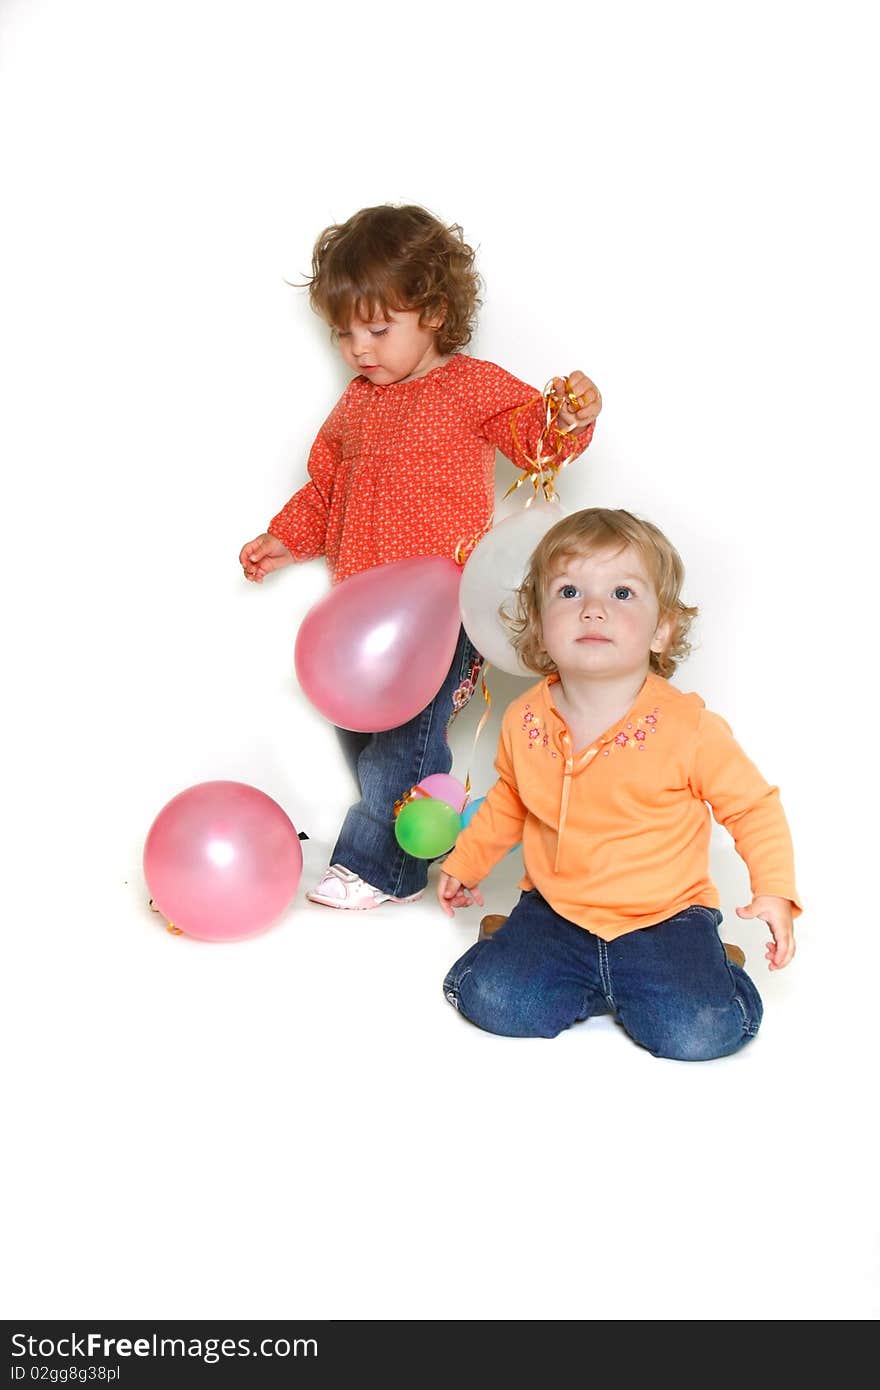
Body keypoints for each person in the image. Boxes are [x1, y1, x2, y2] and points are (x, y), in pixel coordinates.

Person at [238, 204, 602, 909]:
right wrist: (286, 538)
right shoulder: (356, 405)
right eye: (344, 333)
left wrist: (567, 415)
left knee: (406, 738)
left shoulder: (470, 386)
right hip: (359, 614)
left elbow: (535, 441)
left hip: (439, 615)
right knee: (362, 730)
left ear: (433, 312)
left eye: (377, 329)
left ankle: (383, 866)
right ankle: (418, 841)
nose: (359, 348)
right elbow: (328, 486)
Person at [438, 508, 801, 1060]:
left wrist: (773, 889)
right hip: (559, 911)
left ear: (662, 629)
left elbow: (753, 808)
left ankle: (711, 962)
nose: (593, 608)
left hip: (665, 916)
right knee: (494, 1000)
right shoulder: (526, 719)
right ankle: (531, 950)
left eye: (623, 594)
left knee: (697, 1032)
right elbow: (509, 801)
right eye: (567, 592)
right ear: (537, 624)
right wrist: (465, 864)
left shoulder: (688, 727)